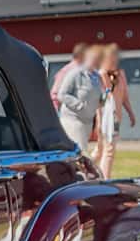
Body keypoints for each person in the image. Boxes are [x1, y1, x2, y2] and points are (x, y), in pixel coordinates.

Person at [92, 43, 135, 179]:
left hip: (116, 118)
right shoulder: (101, 74)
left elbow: (125, 96)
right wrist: (107, 74)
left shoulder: (121, 74)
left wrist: (131, 113)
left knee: (105, 150)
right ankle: (104, 179)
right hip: (105, 118)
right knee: (105, 150)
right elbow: (104, 96)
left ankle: (91, 173)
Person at [53, 44, 100, 153]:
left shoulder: (95, 77)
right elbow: (60, 94)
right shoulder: (74, 73)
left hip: (87, 122)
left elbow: (94, 95)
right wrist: (79, 105)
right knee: (77, 153)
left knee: (82, 152)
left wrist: (101, 100)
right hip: (73, 120)